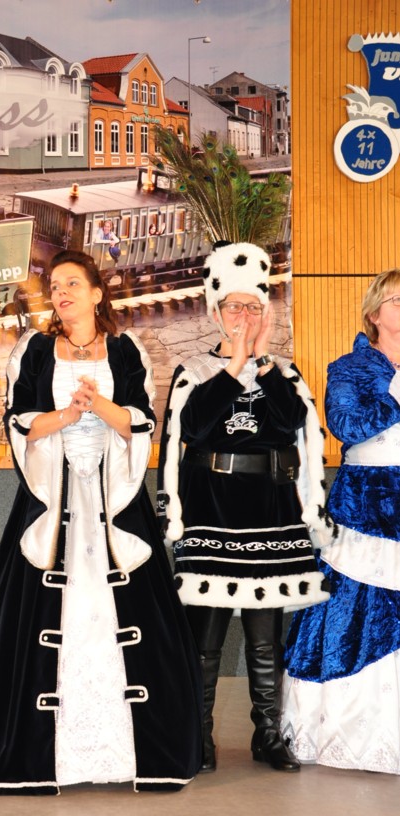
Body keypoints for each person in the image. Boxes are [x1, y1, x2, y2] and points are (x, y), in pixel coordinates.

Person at [0, 249, 202, 794]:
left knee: (143, 624)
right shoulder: (33, 350)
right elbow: (19, 422)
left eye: (72, 283)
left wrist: (99, 405)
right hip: (51, 499)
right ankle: (39, 752)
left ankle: (137, 751)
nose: (61, 293)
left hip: (117, 502)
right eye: (55, 286)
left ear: (96, 293)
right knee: (27, 625)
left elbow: (142, 421)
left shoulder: (126, 348)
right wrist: (67, 414)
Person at [157, 240, 334, 773]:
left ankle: (268, 734)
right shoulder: (193, 370)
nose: (243, 316)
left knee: (264, 636)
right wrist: (234, 365)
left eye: (253, 307)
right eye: (234, 306)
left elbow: (290, 424)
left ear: (264, 314)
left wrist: (260, 362)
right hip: (210, 508)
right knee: (205, 638)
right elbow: (194, 428)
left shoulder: (284, 371)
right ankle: (199, 734)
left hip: (270, 510)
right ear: (216, 312)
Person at [282, 269, 400, 773]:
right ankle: (346, 730)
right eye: (398, 301)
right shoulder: (349, 367)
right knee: (353, 608)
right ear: (374, 313)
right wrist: (395, 396)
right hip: (366, 504)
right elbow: (346, 425)